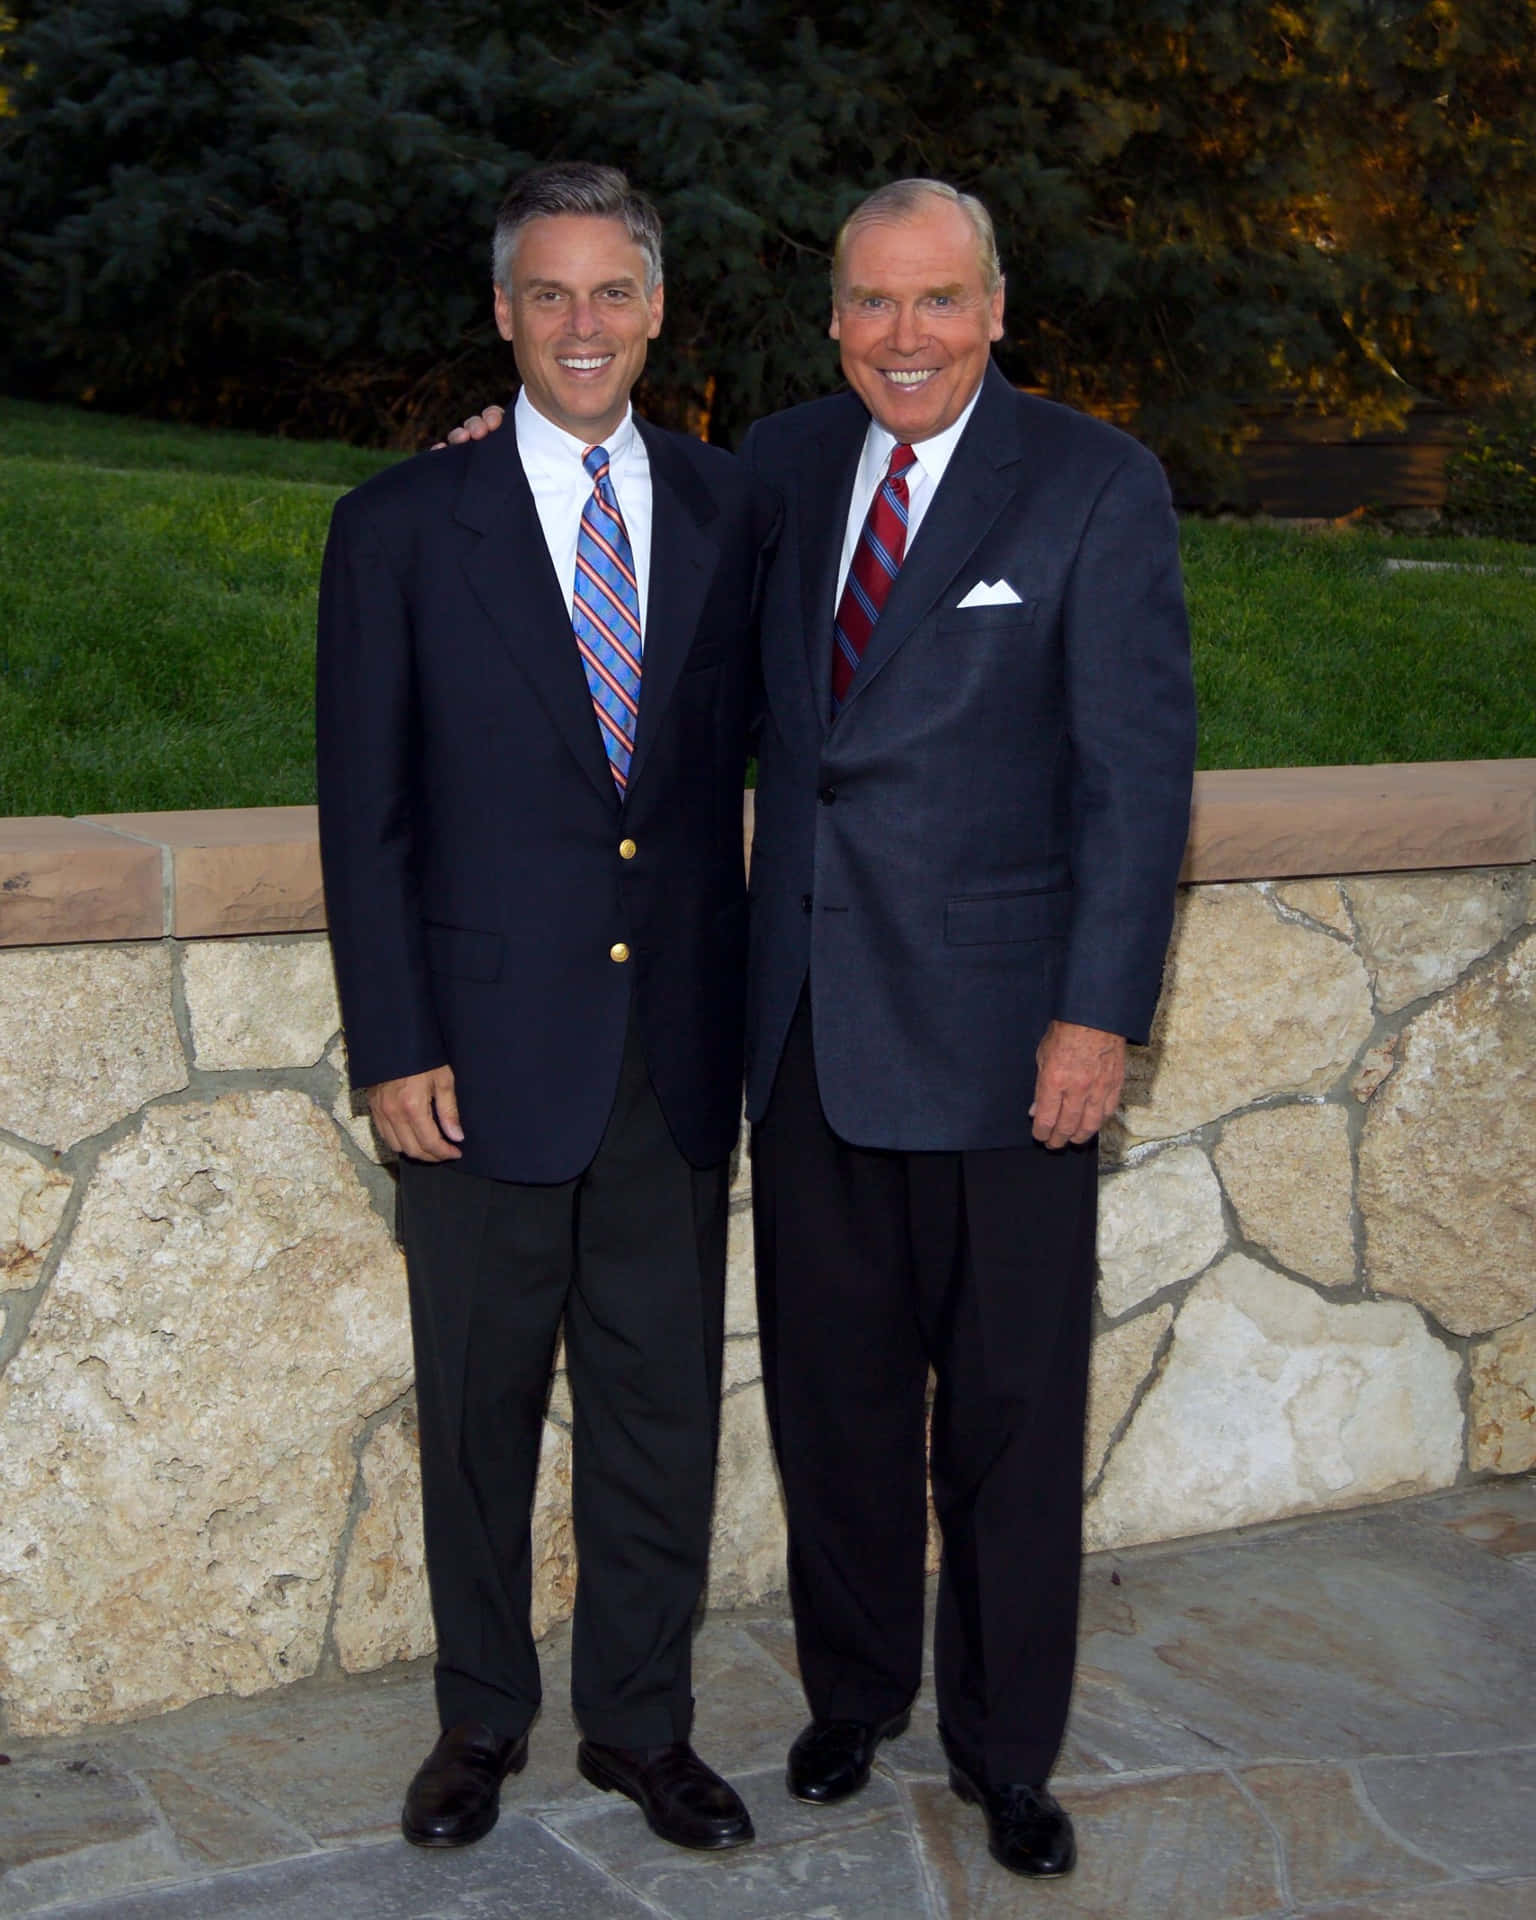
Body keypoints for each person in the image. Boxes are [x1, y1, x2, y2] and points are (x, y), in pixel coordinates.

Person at [449, 175, 1196, 1882]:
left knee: (1009, 1419)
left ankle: (1007, 1749)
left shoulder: (1093, 484)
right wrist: (476, 459)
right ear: (833, 319)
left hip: (1014, 1051)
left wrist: (1099, 1018)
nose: (905, 337)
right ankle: (855, 1695)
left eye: (938, 303)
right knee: (836, 1405)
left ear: (997, 309)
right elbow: (598, 507)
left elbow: (1139, 781)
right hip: (801, 1039)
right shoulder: (774, 473)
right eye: (871, 304)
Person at [316, 162, 776, 1857]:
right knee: (477, 1412)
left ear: (657, 310)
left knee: (659, 1414)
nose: (583, 324)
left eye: (613, 292)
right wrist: (394, 1042)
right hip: (478, 1062)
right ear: (504, 315)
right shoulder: (396, 528)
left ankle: (641, 1729)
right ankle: (480, 1720)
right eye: (549, 294)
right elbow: (362, 812)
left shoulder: (738, 513)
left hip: (670, 1059)